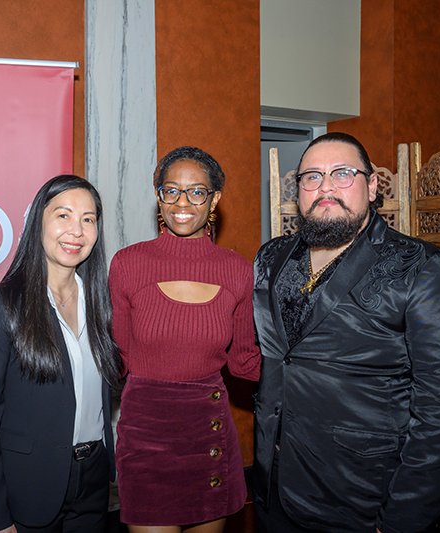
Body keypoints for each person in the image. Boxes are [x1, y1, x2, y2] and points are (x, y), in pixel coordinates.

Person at [252, 132, 440, 533]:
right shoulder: (271, 257)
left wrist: (403, 520)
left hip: (362, 502)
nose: (325, 188)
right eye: (311, 177)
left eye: (342, 174)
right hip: (276, 490)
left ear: (372, 187)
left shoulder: (420, 267)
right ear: (298, 190)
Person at [109, 146, 261, 533]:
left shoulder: (238, 270)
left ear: (215, 199)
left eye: (197, 191)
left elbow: (244, 361)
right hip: (146, 436)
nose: (182, 202)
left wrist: (322, 378)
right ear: (158, 196)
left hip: (208, 433)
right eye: (171, 190)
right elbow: (117, 358)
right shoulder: (128, 263)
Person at [0, 175, 123, 533]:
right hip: (27, 488)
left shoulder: (102, 305)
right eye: (63, 216)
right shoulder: (0, 305)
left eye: (88, 219)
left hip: (94, 484)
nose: (77, 231)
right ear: (38, 222)